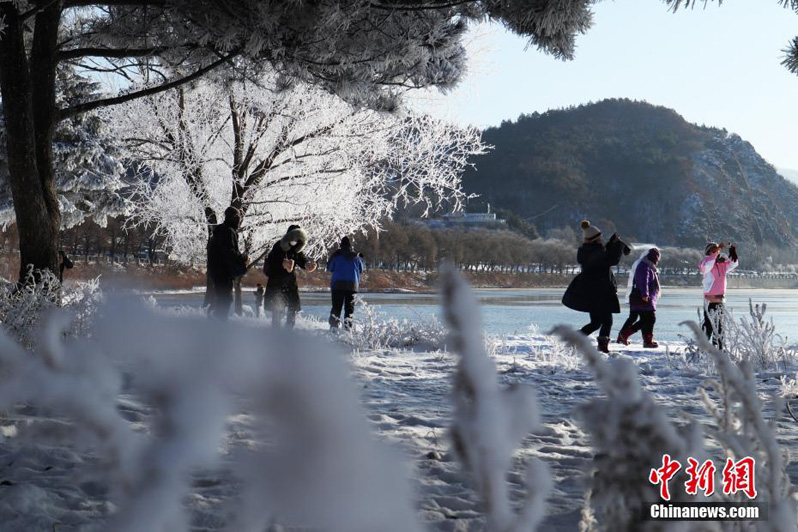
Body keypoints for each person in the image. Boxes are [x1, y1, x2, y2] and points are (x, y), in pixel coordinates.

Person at [562, 220, 630, 353]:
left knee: (596, 322)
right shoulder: (596, 252)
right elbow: (611, 259)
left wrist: (612, 243)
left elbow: (604, 255)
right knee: (607, 321)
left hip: (591, 292)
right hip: (600, 292)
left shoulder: (586, 251)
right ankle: (602, 347)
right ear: (595, 239)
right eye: (599, 237)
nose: (601, 239)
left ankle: (575, 340)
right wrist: (619, 245)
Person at [263, 225, 317, 328]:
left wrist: (307, 265)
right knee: (278, 309)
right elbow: (273, 261)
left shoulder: (296, 248)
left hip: (290, 282)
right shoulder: (279, 245)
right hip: (277, 282)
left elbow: (302, 259)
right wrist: (283, 263)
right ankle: (276, 332)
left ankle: (289, 331)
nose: (296, 240)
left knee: (293, 306)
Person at [207, 207, 249, 320]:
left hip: (217, 271)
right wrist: (243, 258)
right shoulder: (228, 231)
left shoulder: (220, 229)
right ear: (234, 218)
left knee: (223, 299)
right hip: (223, 272)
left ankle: (215, 320)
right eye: (238, 217)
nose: (240, 220)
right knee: (225, 300)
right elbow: (229, 252)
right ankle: (218, 325)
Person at [617, 248, 661, 348]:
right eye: (657, 258)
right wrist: (645, 294)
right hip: (644, 297)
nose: (657, 260)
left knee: (647, 319)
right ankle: (626, 334)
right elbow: (643, 281)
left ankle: (647, 340)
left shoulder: (649, 266)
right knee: (649, 319)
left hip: (647, 297)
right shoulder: (644, 266)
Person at [699, 241, 738, 349]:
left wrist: (732, 249)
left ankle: (719, 349)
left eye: (716, 250)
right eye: (713, 250)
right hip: (709, 302)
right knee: (708, 326)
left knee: (720, 327)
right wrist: (716, 252)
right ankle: (702, 349)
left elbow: (734, 263)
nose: (715, 252)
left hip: (720, 301)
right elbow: (708, 265)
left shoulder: (722, 265)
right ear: (708, 252)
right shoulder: (704, 264)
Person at [327, 236, 365, 330]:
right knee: (349, 310)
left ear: (341, 245)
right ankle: (348, 330)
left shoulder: (336, 256)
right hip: (352, 286)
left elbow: (330, 268)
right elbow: (361, 269)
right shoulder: (356, 257)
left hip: (337, 285)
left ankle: (333, 329)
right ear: (350, 246)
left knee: (336, 308)